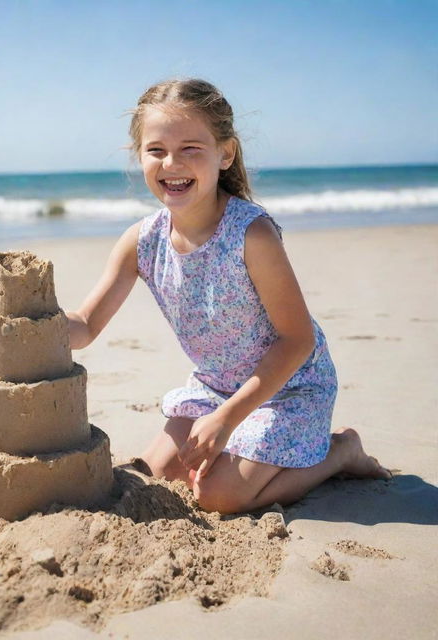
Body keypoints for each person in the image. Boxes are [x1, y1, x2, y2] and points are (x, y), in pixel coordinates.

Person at [65, 78, 391, 515]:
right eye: (156, 149)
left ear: (226, 153)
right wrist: (30, 323)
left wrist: (228, 419)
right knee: (158, 475)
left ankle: (341, 453)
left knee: (218, 495)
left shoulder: (251, 234)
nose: (171, 163)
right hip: (215, 388)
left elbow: (298, 340)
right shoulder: (141, 241)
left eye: (191, 149)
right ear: (140, 155)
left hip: (289, 389)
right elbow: (84, 326)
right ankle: (243, 440)